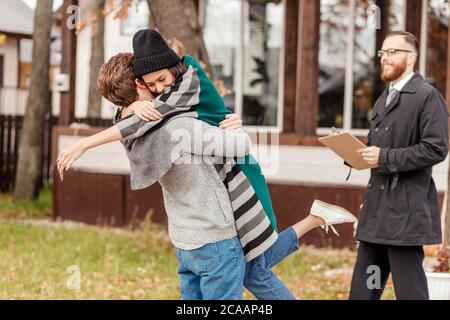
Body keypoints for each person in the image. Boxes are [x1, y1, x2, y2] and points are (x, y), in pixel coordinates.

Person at [57, 30, 357, 300]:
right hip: (214, 235)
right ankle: (314, 219)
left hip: (196, 228)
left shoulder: (147, 130)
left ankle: (314, 219)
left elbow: (130, 123)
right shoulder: (168, 127)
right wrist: (236, 132)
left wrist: (88, 139)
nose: (161, 90)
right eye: (151, 85)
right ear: (139, 85)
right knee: (255, 266)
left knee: (255, 265)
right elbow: (238, 144)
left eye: (163, 80)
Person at [350, 31, 449, 300]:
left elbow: (436, 148)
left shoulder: (427, 97)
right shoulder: (384, 98)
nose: (385, 58)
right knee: (364, 291)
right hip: (376, 216)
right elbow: (378, 149)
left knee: (410, 293)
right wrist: (356, 154)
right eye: (383, 53)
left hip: (405, 217)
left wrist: (384, 157)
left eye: (393, 52)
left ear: (411, 57)